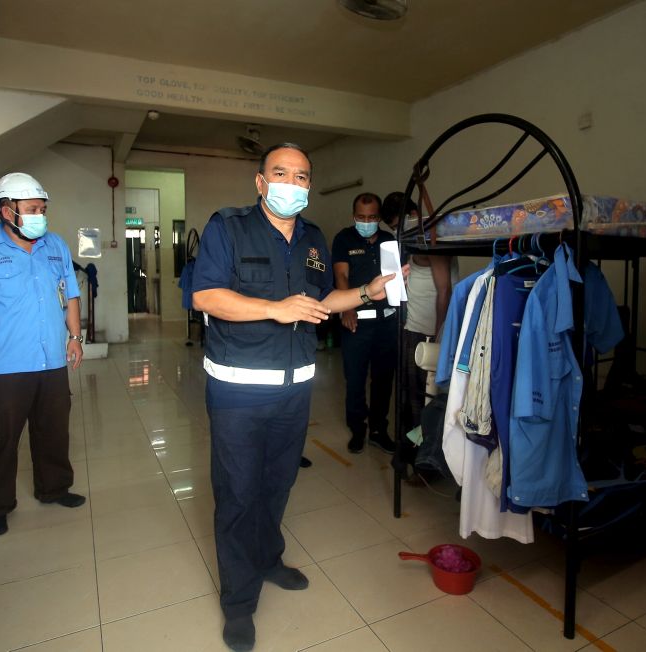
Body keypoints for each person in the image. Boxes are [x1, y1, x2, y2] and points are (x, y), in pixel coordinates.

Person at [192, 143, 393, 652]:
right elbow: (206, 296)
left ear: (308, 186)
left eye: (301, 176)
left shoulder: (314, 238)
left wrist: (371, 291)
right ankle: (238, 601)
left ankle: (267, 559)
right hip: (237, 391)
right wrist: (274, 309)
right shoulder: (228, 226)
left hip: (294, 391)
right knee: (238, 493)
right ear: (261, 182)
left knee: (277, 485)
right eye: (280, 173)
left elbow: (323, 300)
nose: (291, 182)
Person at [0, 172, 85, 539]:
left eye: (43, 208)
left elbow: (69, 293)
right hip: (4, 366)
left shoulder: (55, 246)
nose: (40, 215)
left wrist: (74, 336)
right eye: (32, 209)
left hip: (51, 362)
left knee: (54, 431)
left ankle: (55, 488)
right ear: (7, 211)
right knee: (2, 438)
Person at [381, 191, 457, 480]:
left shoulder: (429, 240)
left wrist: (438, 336)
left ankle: (424, 464)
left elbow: (445, 290)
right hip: (412, 328)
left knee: (422, 403)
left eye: (401, 224)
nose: (399, 231)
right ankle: (412, 457)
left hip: (426, 334)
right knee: (410, 400)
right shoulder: (415, 241)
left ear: (413, 215)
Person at [332, 193, 398, 455]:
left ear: (379, 218)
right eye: (361, 217)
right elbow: (341, 274)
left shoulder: (388, 240)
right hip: (356, 322)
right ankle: (357, 429)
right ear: (353, 215)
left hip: (386, 323)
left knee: (383, 379)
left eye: (372, 217)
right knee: (355, 379)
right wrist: (347, 308)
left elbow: (393, 278)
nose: (366, 221)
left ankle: (379, 430)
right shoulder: (344, 238)